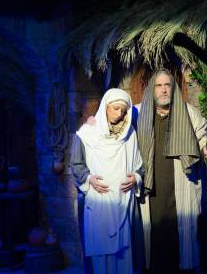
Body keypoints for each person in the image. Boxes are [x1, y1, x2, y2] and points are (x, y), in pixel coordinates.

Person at [136, 69, 207, 273]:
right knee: (154, 233)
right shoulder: (139, 112)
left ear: (173, 88)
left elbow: (201, 139)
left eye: (167, 85)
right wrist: (93, 124)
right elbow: (111, 119)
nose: (163, 90)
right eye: (159, 85)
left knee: (181, 235)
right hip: (151, 185)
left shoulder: (188, 112)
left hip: (181, 182)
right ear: (152, 90)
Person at [70, 88, 144, 274]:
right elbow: (76, 164)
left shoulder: (130, 134)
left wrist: (135, 178)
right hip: (98, 203)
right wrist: (88, 179)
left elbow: (139, 165)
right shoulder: (88, 133)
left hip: (123, 202)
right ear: (105, 107)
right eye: (115, 108)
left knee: (124, 255)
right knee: (100, 257)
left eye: (123, 110)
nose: (119, 114)